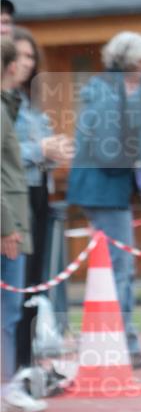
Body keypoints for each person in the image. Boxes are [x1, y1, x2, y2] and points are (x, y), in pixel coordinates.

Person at [67, 31, 141, 368]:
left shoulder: (105, 88)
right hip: (104, 189)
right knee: (120, 268)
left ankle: (119, 341)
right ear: (129, 61)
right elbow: (108, 150)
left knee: (118, 268)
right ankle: (123, 343)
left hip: (103, 188)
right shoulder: (109, 93)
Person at [13, 27, 74, 372]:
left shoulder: (30, 102)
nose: (25, 63)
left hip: (38, 193)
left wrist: (55, 151)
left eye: (30, 56)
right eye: (19, 56)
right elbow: (8, 154)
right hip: (13, 197)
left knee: (34, 284)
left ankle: (27, 362)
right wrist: (40, 149)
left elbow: (40, 148)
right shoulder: (7, 103)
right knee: (17, 285)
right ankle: (15, 366)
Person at [1, 38, 46, 412]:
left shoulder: (13, 104)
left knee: (11, 307)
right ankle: (5, 387)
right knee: (8, 308)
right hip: (9, 219)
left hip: (14, 214)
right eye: (22, 58)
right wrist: (7, 224)